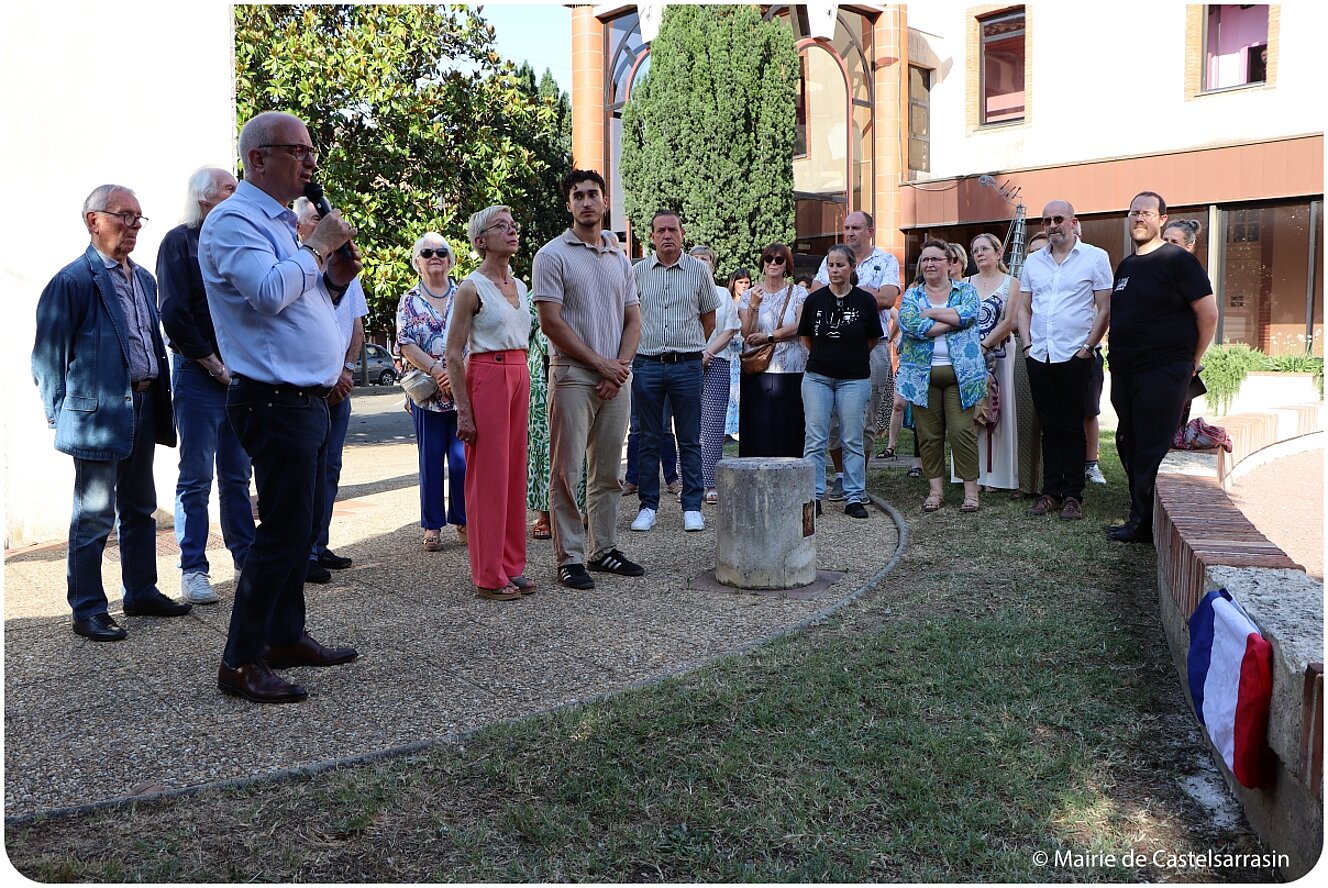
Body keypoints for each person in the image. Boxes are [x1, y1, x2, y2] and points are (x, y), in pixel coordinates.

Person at [201, 111, 359, 703]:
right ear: (258, 158)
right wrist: (317, 247)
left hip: (306, 400)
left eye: (311, 150)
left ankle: (285, 636)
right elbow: (267, 295)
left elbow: (300, 304)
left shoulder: (281, 223)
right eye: (299, 151)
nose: (310, 161)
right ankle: (240, 660)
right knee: (283, 533)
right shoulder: (232, 221)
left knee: (299, 527)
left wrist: (334, 278)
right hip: (272, 400)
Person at [33, 184, 190, 642]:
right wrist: (62, 413)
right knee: (95, 515)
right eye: (124, 216)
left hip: (143, 403)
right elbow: (47, 357)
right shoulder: (73, 281)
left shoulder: (144, 280)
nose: (133, 226)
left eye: (139, 218)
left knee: (140, 507)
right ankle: (87, 608)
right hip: (97, 416)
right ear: (93, 220)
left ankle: (140, 591)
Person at [532, 169, 644, 589]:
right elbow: (551, 323)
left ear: (605, 201)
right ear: (569, 205)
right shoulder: (551, 255)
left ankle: (604, 549)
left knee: (608, 471)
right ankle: (570, 557)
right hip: (573, 375)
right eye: (577, 196)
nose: (586, 202)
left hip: (616, 377)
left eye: (592, 194)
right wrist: (602, 365)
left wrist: (620, 367)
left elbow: (634, 318)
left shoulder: (618, 257)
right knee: (567, 471)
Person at [157, 167, 254, 606]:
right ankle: (193, 569)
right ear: (205, 199)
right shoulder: (179, 242)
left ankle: (245, 560)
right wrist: (213, 364)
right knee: (195, 478)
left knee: (237, 475)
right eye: (230, 188)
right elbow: (174, 313)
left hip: (239, 377)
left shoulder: (236, 242)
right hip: (199, 375)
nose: (238, 193)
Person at [1107, 191, 1217, 543]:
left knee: (1150, 445)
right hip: (1126, 371)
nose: (1139, 218)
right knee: (1127, 441)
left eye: (1147, 213)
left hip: (1164, 369)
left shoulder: (1177, 260)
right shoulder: (1126, 266)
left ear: (1162, 219)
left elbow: (1209, 315)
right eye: (1134, 212)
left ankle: (1143, 524)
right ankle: (1142, 515)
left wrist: (1192, 361)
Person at [445, 205, 533, 599]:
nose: (511, 231)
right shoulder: (471, 288)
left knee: (513, 474)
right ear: (480, 240)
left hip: (519, 373)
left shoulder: (522, 286)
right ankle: (487, 574)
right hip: (488, 375)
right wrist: (463, 411)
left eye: (513, 225)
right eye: (502, 226)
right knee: (488, 479)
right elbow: (453, 353)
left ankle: (511, 565)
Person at [1016, 200, 1112, 521]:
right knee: (1049, 426)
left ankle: (1072, 495)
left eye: (1058, 218)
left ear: (1073, 221)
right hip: (1039, 355)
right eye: (1046, 220)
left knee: (1072, 426)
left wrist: (1087, 348)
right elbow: (1024, 308)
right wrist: (1027, 347)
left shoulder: (1095, 257)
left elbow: (1104, 308)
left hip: (1075, 355)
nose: (1052, 225)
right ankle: (1050, 493)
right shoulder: (1033, 262)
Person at [629, 209, 720, 533]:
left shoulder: (698, 271)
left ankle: (692, 506)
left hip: (686, 365)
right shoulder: (638, 272)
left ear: (682, 234)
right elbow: (629, 317)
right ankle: (647, 506)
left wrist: (689, 347)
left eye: (673, 230)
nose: (667, 235)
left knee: (690, 438)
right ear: (651, 236)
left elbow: (709, 319)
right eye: (661, 230)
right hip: (647, 364)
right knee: (648, 438)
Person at [293, 195, 368, 583]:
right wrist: (329, 375)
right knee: (305, 474)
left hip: (340, 386)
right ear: (299, 228)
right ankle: (302, 552)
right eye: (315, 219)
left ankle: (319, 544)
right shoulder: (296, 268)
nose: (326, 225)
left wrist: (347, 369)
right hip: (310, 388)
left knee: (330, 470)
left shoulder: (342, 266)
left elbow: (356, 325)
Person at [812, 211, 901, 495]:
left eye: (856, 228)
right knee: (833, 417)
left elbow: (888, 298)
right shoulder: (831, 258)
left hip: (871, 346)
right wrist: (865, 294)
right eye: (847, 227)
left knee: (865, 415)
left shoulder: (886, 261)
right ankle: (841, 475)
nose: (850, 233)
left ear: (870, 231)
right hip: (831, 346)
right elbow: (816, 294)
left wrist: (845, 291)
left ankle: (857, 477)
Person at [897, 239, 986, 512]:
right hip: (921, 377)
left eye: (935, 259)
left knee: (962, 432)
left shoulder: (965, 290)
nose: (929, 264)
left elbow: (969, 314)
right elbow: (910, 324)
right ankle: (935, 492)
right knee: (928, 436)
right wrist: (951, 320)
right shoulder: (912, 295)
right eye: (925, 260)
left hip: (961, 376)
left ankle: (971, 493)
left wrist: (932, 313)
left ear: (949, 263)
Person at [798, 244, 883, 518]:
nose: (835, 270)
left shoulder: (865, 301)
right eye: (831, 265)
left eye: (840, 265)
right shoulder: (814, 300)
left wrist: (850, 357)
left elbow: (872, 338)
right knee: (815, 437)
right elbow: (806, 338)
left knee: (852, 437)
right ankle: (813, 496)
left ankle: (854, 496)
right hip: (818, 377)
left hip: (854, 379)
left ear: (852, 267)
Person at [396, 232, 467, 552]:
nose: (434, 257)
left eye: (441, 252)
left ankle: (463, 519)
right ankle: (432, 525)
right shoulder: (409, 300)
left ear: (450, 260)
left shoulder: (465, 293)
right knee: (430, 460)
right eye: (427, 253)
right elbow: (405, 343)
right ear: (417, 262)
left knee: (462, 460)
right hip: (427, 394)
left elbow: (477, 337)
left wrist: (457, 374)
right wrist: (438, 371)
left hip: (462, 390)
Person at [959, 232, 1018, 491]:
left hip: (1000, 356)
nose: (979, 254)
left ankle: (997, 476)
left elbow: (1010, 321)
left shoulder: (1011, 283)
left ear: (998, 253)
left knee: (998, 411)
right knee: (971, 414)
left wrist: (985, 345)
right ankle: (973, 474)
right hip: (969, 358)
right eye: (975, 250)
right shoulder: (964, 283)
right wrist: (973, 350)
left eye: (985, 249)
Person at [738, 242, 808, 458]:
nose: (773, 263)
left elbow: (800, 325)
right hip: (759, 368)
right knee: (760, 426)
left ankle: (791, 470)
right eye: (768, 259)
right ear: (763, 263)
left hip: (792, 368)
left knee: (789, 426)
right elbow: (747, 332)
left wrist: (770, 336)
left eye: (779, 259)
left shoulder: (799, 293)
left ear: (787, 265)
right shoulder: (750, 295)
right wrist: (754, 305)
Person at [688, 245, 740, 504]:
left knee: (713, 424)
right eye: (695, 258)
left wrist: (707, 353)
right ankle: (689, 482)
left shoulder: (722, 294)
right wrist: (695, 354)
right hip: (686, 361)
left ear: (713, 264)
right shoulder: (684, 290)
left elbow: (730, 329)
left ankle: (710, 481)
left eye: (705, 258)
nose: (700, 262)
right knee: (688, 424)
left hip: (717, 360)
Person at [1008, 230, 1048, 499]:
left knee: (1053, 421)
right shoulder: (1023, 282)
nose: (1034, 256)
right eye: (1030, 253)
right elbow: (1015, 318)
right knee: (1025, 417)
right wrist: (1027, 344)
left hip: (1061, 353)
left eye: (1040, 251)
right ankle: (1026, 484)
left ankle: (1049, 484)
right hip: (1027, 349)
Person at [723, 268, 751, 439]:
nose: (744, 285)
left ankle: (739, 427)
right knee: (730, 391)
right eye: (740, 282)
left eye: (747, 282)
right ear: (734, 283)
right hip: (728, 350)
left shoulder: (752, 303)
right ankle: (728, 427)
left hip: (745, 350)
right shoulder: (728, 301)